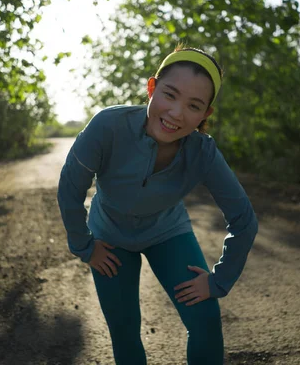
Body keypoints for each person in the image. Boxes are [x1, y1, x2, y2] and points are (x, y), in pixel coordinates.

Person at [57, 45, 258, 364]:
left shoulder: (202, 152)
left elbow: (244, 220)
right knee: (124, 330)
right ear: (151, 88)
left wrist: (218, 280)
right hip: (109, 238)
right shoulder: (108, 126)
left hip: (168, 233)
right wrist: (84, 246)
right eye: (170, 95)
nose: (177, 113)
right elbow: (70, 187)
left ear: (205, 114)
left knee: (205, 321)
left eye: (193, 106)